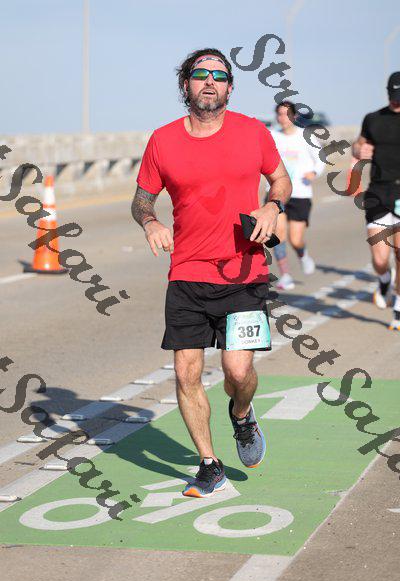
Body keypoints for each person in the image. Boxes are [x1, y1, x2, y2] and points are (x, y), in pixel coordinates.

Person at [131, 48, 292, 497]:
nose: (209, 82)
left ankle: (241, 415)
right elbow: (141, 199)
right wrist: (151, 221)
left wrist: (272, 206)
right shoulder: (162, 140)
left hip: (244, 272)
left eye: (218, 76)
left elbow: (281, 179)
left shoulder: (252, 132)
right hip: (187, 273)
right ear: (185, 84)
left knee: (238, 372)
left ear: (229, 88)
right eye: (200, 74)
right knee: (186, 373)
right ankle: (209, 463)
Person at [352, 72, 400, 331]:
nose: (396, 101)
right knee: (380, 259)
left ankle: (398, 307)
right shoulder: (373, 118)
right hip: (378, 193)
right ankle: (384, 280)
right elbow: (357, 145)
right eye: (393, 95)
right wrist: (359, 150)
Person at [265, 101, 325, 291]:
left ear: (294, 116)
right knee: (278, 234)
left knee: (296, 239)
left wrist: (314, 172)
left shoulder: (306, 136)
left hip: (300, 193)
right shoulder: (271, 136)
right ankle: (286, 275)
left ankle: (303, 255)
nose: (282, 118)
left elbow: (321, 159)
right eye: (279, 114)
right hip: (276, 193)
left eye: (286, 114)